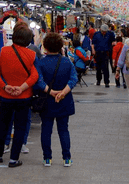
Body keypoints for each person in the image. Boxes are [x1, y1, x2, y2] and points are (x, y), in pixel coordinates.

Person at [0, 25, 38, 168]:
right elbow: (35, 75)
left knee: (2, 126)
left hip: (5, 96)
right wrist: (22, 87)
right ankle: (13, 159)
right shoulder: (32, 55)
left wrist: (5, 86)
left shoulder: (3, 51)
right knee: (20, 127)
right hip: (24, 97)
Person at [34, 33, 77, 167]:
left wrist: (51, 92)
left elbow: (38, 81)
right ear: (60, 46)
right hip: (64, 100)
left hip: (47, 100)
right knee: (63, 129)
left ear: (45, 47)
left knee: (46, 129)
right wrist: (63, 92)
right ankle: (67, 158)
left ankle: (47, 158)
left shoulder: (41, 63)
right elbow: (73, 79)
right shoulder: (66, 62)